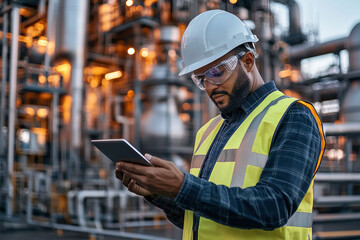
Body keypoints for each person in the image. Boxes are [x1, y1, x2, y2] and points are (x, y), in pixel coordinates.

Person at [115, 9, 325, 240]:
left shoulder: (293, 116)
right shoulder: (209, 131)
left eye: (216, 72)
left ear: (247, 61)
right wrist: (159, 194)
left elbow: (274, 207)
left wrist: (183, 187)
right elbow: (198, 218)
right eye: (201, 79)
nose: (210, 86)